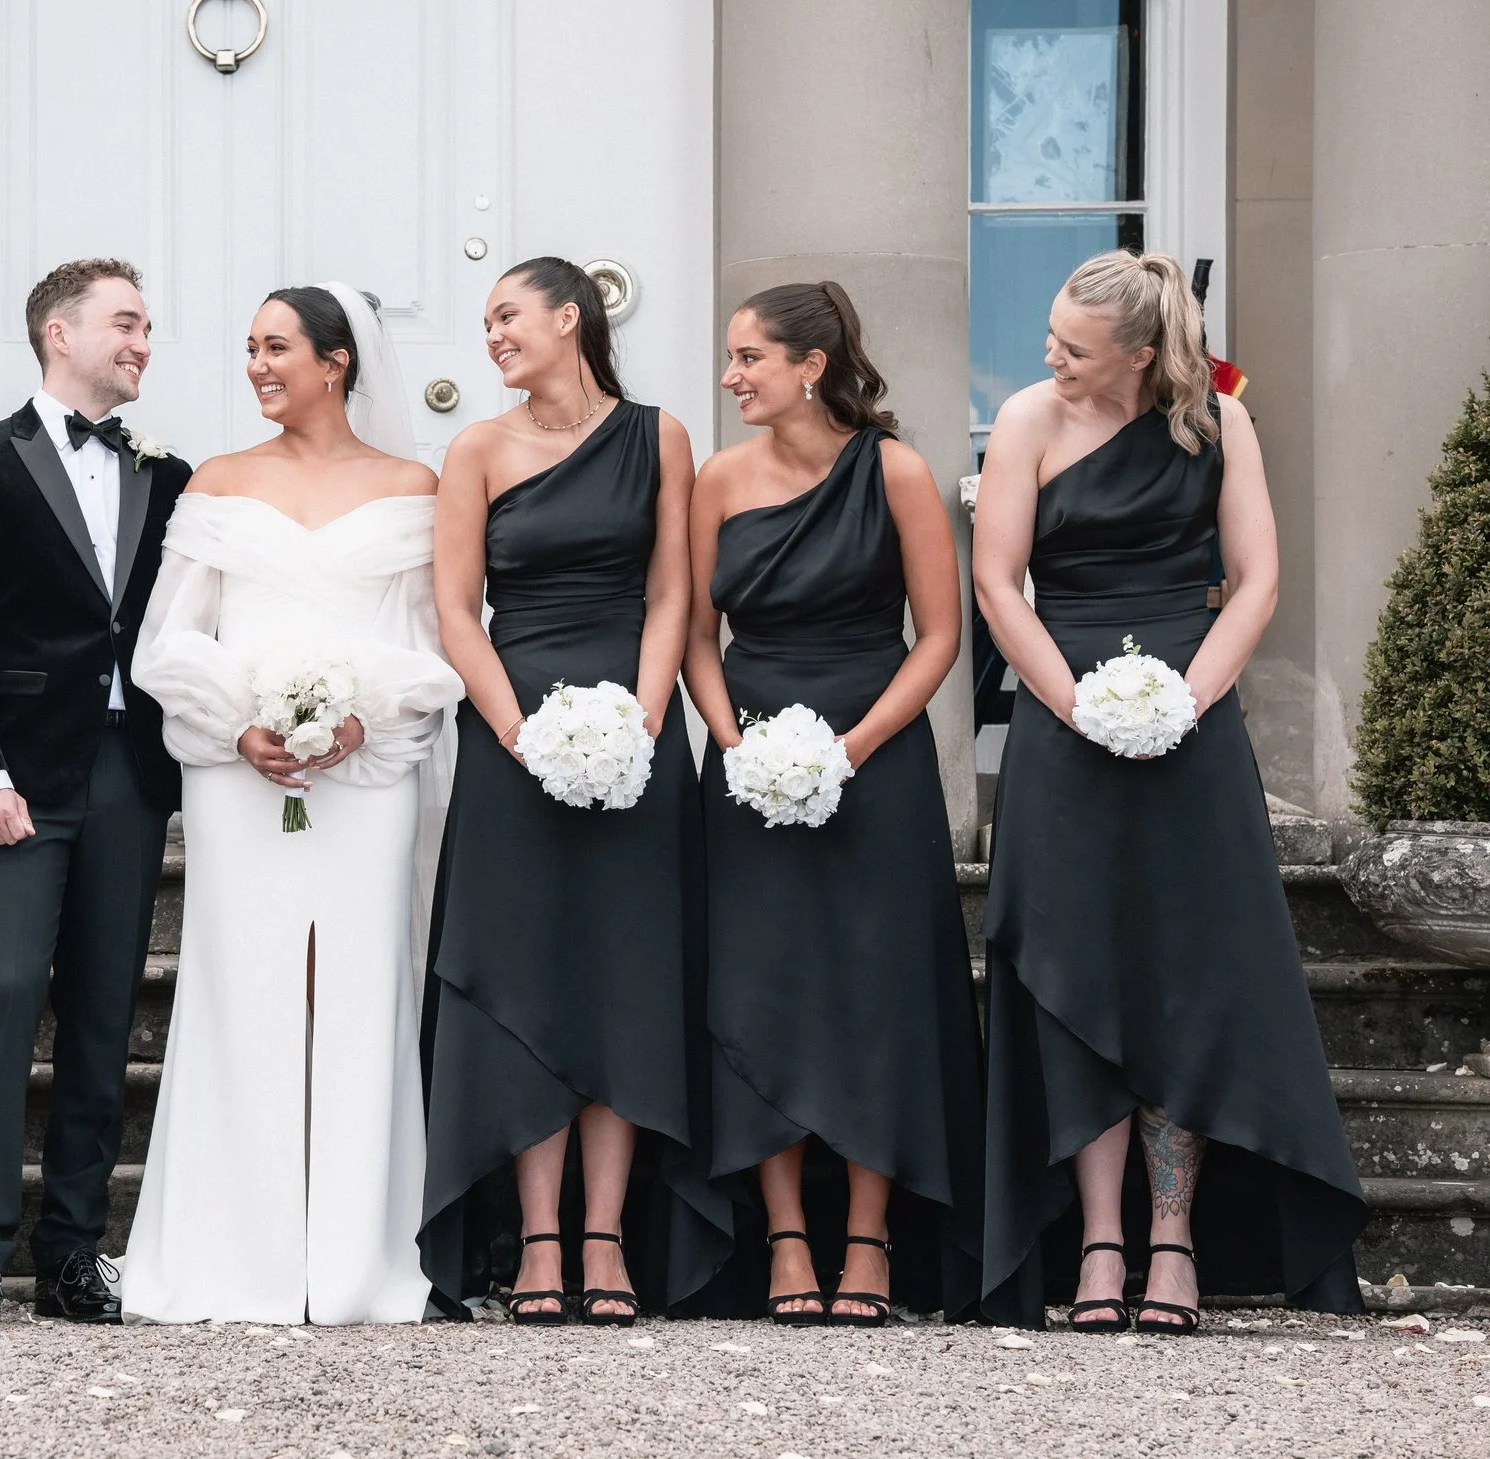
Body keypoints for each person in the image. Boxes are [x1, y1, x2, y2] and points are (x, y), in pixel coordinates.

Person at [974, 249, 1367, 1333]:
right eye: (1051, 333)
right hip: (1063, 728)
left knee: (1181, 976)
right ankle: (1097, 1240)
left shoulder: (1218, 424)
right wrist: (1074, 704)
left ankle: (1173, 1238)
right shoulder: (1025, 420)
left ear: (1142, 355)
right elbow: (997, 583)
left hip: (1189, 727)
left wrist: (1184, 702)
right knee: (1074, 969)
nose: (1047, 355)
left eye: (1071, 346)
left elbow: (1257, 581)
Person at [118, 284, 461, 1324]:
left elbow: (430, 638)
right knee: (242, 986)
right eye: (250, 348)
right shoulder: (219, 483)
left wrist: (360, 718)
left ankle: (355, 1257)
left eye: (276, 347)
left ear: (337, 360)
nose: (258, 364)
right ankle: (236, 1255)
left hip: (364, 775)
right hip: (238, 770)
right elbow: (167, 639)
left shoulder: (414, 485)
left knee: (357, 989)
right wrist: (240, 724)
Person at [420, 256, 733, 1326]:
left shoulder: (661, 435)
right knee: (523, 980)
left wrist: (642, 724)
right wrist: (516, 733)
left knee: (624, 977)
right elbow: (457, 610)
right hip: (513, 733)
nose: (493, 335)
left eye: (508, 315)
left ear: (570, 316)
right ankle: (539, 1236)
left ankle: (607, 1232)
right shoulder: (476, 448)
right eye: (486, 320)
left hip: (631, 735)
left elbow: (671, 592)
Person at [684, 281, 984, 1326]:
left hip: (875, 761)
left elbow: (940, 637)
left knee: (876, 990)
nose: (731, 377)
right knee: (758, 989)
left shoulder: (894, 469)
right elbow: (692, 637)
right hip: (748, 762)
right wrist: (734, 747)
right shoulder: (717, 478)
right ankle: (783, 1243)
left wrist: (848, 750)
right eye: (730, 358)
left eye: (748, 357)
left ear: (809, 365)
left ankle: (868, 1238)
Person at [0, 258, 192, 1330]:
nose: (142, 342)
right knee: (0, 994)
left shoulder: (167, 475)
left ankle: (73, 1250)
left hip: (131, 771)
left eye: (148, 326)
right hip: (18, 778)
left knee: (102, 1010)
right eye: (125, 322)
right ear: (57, 332)